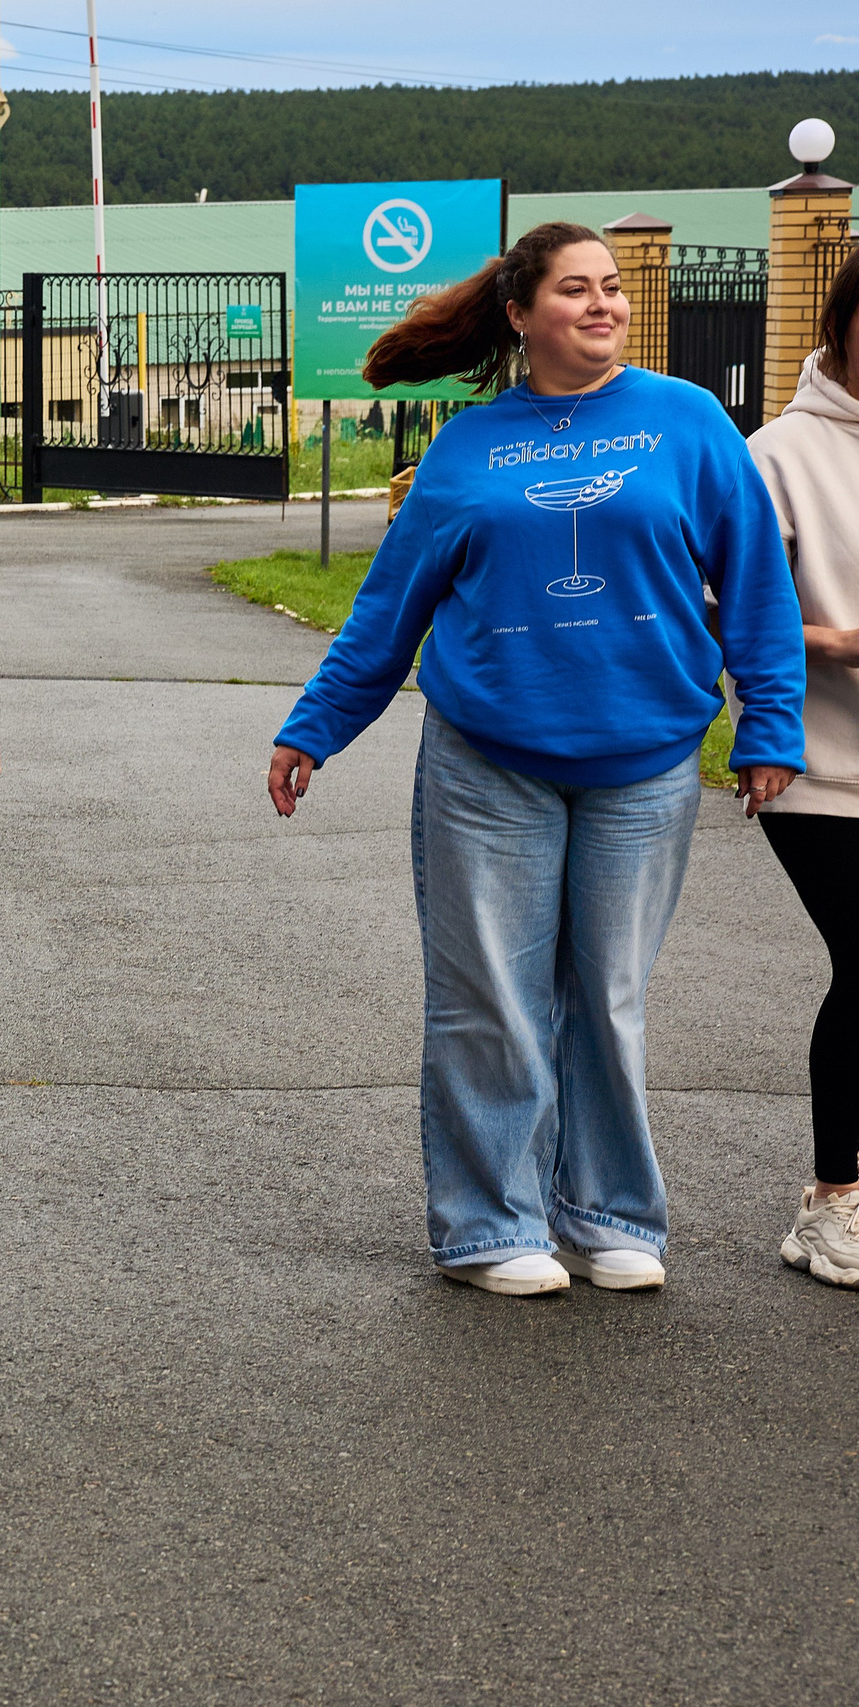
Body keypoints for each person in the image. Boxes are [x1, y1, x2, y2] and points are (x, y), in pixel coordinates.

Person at [267, 222, 806, 1297]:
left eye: (611, 287)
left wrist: (768, 726)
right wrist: (314, 726)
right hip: (487, 760)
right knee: (489, 997)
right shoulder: (467, 448)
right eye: (575, 290)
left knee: (605, 996)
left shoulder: (688, 421)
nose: (602, 304)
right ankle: (486, 1225)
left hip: (644, 760)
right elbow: (387, 613)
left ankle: (608, 1213)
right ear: (520, 316)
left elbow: (755, 585)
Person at [750, 247, 859, 1286]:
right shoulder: (777, 451)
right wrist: (836, 643)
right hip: (820, 767)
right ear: (841, 323)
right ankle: (830, 1204)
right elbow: (722, 607)